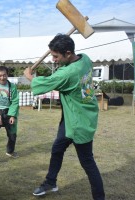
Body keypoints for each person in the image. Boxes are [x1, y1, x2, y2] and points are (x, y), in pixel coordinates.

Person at [24, 34, 105, 200]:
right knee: (57, 149)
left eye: (56, 56)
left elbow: (43, 84)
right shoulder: (85, 59)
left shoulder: (69, 73)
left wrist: (29, 76)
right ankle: (50, 182)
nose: (53, 59)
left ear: (68, 53)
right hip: (71, 118)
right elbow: (61, 71)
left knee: (88, 162)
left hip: (79, 122)